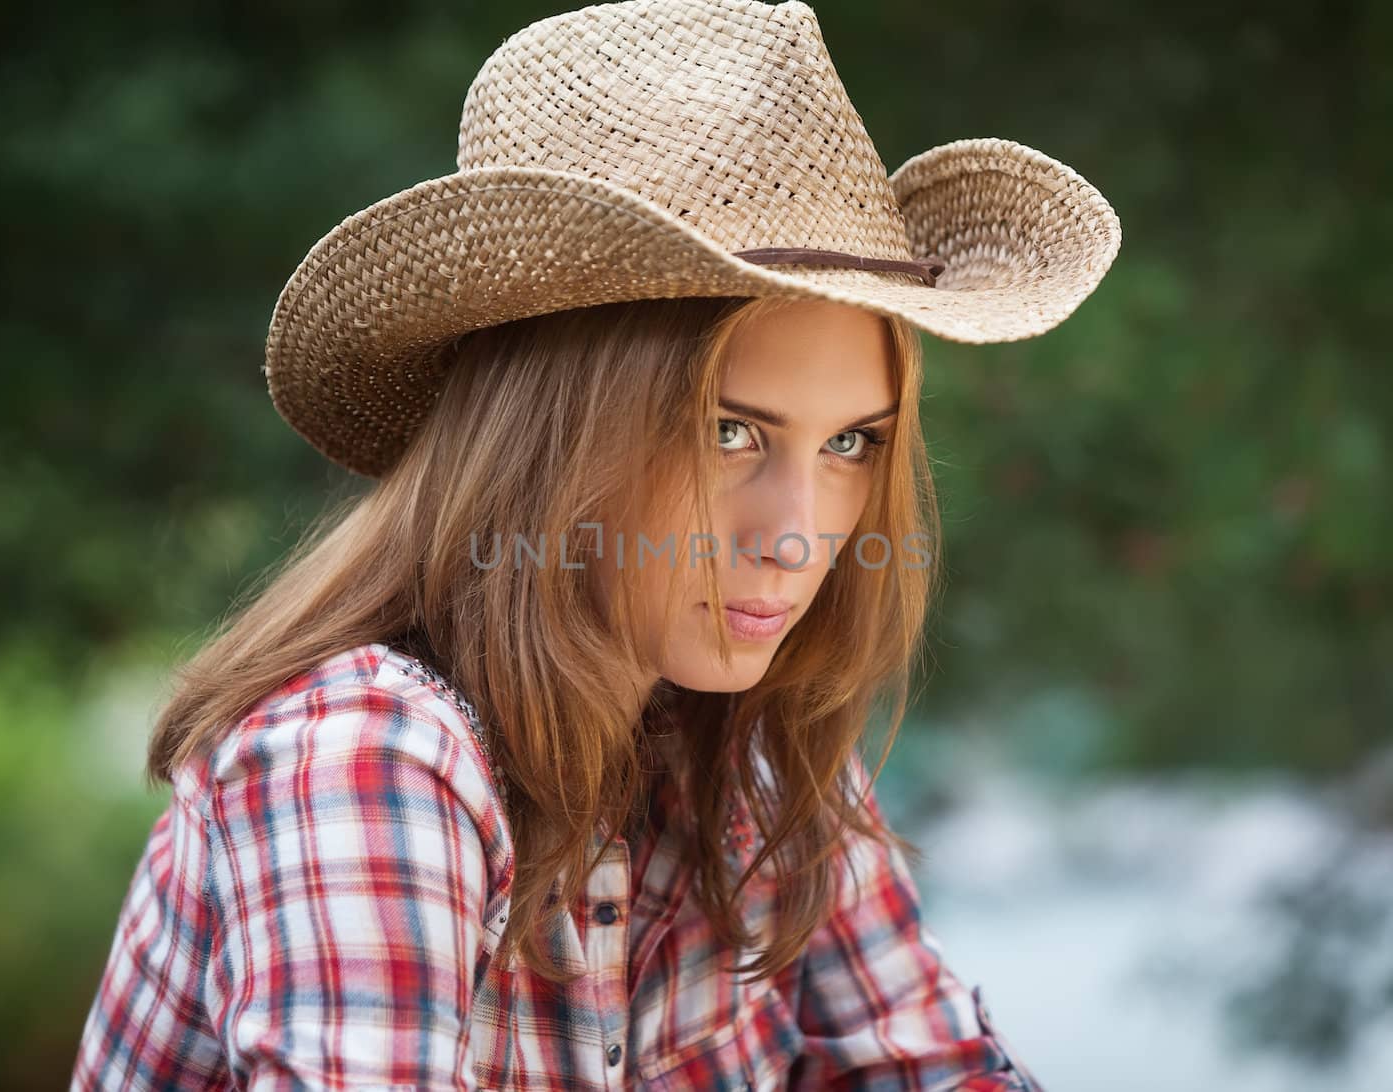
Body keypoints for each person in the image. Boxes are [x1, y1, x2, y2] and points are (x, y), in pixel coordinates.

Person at [70, 0, 1119, 1088]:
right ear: (548, 436)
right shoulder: (371, 753)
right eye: (727, 433)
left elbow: (934, 1069)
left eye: (852, 442)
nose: (797, 536)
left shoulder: (759, 753)